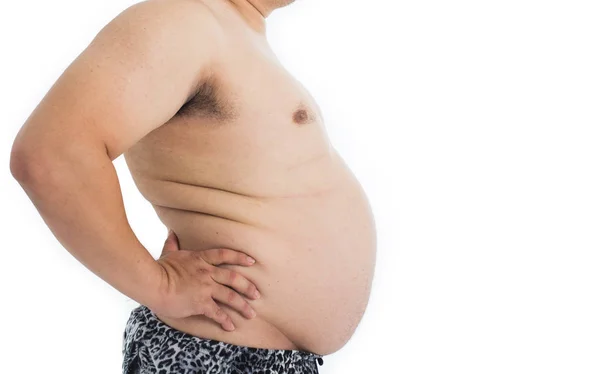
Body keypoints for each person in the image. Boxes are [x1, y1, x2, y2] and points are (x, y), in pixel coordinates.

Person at [9, 0, 377, 372]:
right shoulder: (184, 20)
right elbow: (50, 153)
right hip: (209, 356)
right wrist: (159, 286)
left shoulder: (236, 34)